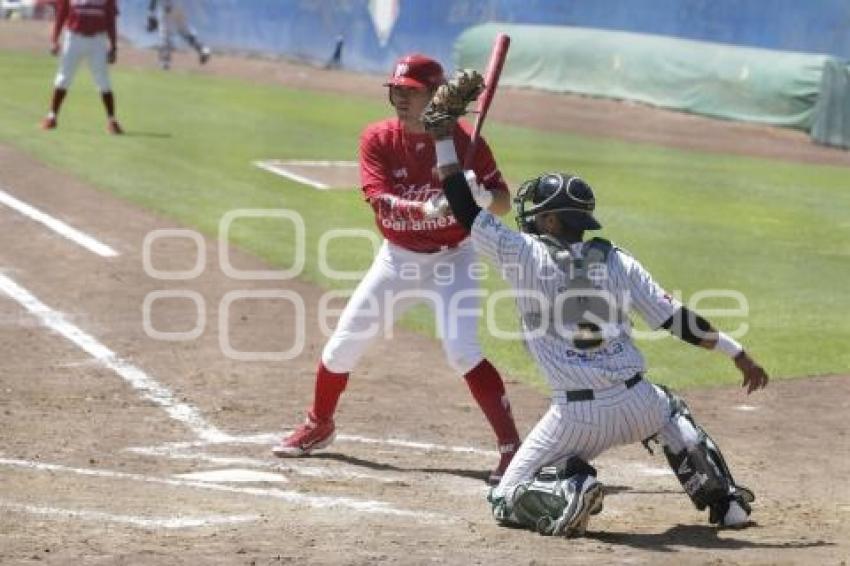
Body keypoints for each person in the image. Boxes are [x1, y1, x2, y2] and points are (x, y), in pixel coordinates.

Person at [425, 90, 769, 535]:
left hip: (578, 417)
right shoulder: (617, 259)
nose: (529, 219)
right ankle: (727, 503)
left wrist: (441, 137)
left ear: (551, 222)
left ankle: (572, 490)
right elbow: (675, 319)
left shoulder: (520, 252)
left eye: (538, 213)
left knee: (506, 498)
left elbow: (462, 204)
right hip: (639, 401)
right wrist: (736, 353)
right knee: (671, 411)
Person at [272, 54, 522, 485]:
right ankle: (320, 424)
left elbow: (504, 202)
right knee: (341, 348)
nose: (401, 98)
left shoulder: (466, 143)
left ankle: (512, 449)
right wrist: (427, 206)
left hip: (454, 258)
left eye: (411, 91)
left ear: (436, 96)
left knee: (462, 350)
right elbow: (379, 199)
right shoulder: (379, 139)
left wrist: (481, 196)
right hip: (399, 258)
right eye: (396, 90)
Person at [41, 0, 123, 134]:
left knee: (103, 81)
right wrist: (54, 39)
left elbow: (110, 19)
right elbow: (62, 14)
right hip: (74, 37)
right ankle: (52, 116)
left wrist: (113, 46)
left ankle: (111, 120)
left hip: (97, 39)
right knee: (63, 78)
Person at [146, 0, 211, 70]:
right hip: (180, 4)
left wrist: (151, 14)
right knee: (184, 30)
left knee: (165, 33)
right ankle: (203, 49)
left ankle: (165, 61)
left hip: (167, 4)